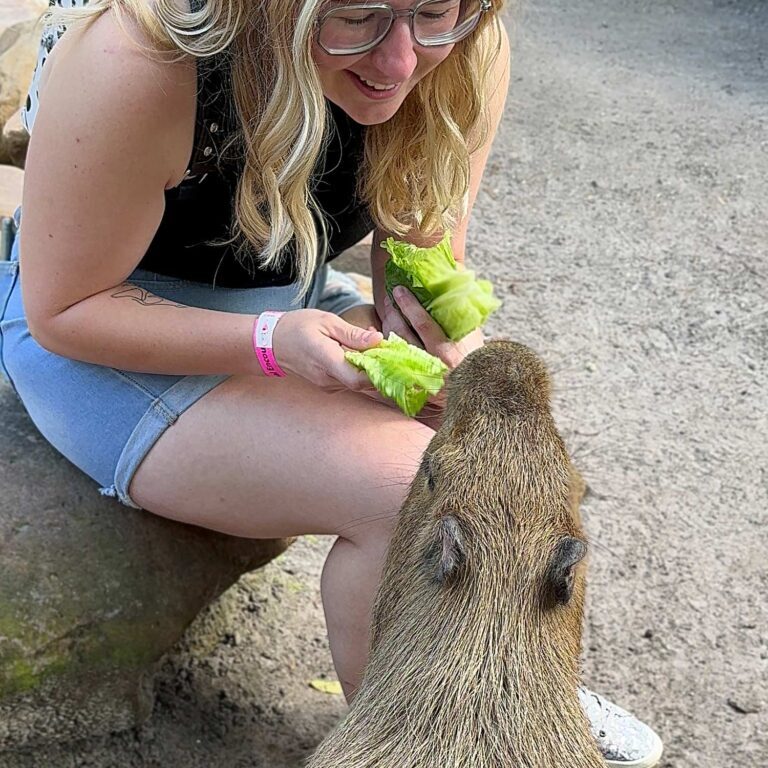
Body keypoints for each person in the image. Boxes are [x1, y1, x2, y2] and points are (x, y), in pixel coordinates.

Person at [1, 0, 663, 765]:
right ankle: (422, 740)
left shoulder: (467, 44)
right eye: (356, 17)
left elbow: (421, 258)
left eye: (431, 13)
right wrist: (269, 342)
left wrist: (451, 357)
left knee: (508, 468)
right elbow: (66, 309)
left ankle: (518, 692)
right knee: (404, 492)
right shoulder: (141, 60)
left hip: (291, 302)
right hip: (110, 339)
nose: (401, 63)